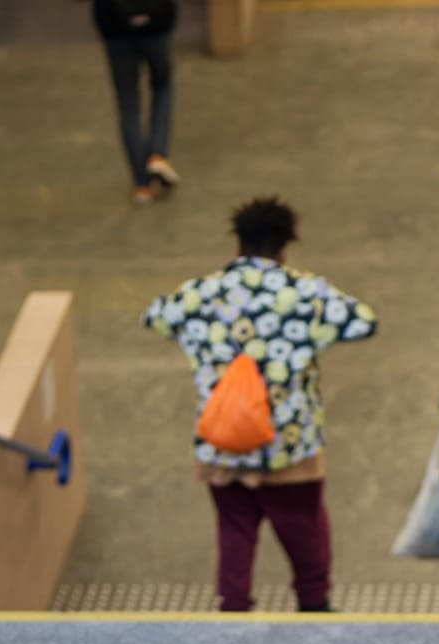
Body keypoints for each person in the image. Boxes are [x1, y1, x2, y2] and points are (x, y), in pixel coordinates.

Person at [143, 196, 378, 611]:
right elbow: (362, 320)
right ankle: (314, 608)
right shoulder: (305, 292)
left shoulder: (202, 292)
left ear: (238, 243)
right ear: (285, 246)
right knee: (305, 532)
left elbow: (157, 316)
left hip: (225, 444)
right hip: (289, 447)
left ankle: (234, 613)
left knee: (234, 533)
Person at [83, 0, 180, 203]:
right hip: (157, 22)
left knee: (128, 103)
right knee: (162, 87)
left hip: (116, 27)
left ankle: (142, 184)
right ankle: (157, 153)